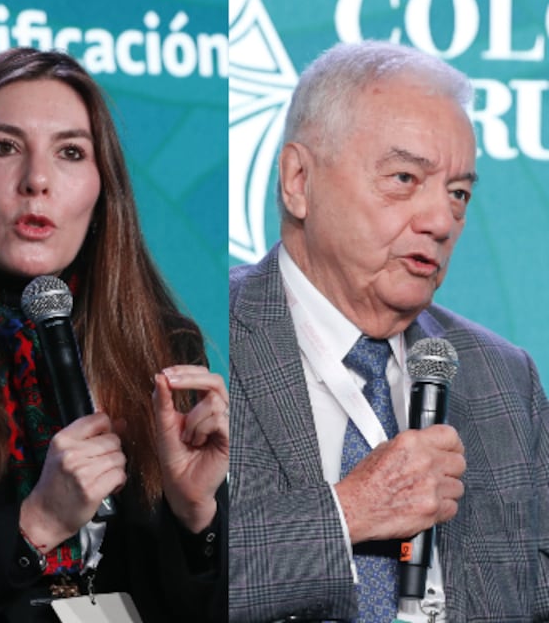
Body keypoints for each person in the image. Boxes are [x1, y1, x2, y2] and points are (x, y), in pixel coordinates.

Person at [228, 40, 549, 622]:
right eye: (404, 178)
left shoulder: (504, 378)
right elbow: (164, 576)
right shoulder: (204, 336)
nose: (440, 221)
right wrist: (348, 513)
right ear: (299, 180)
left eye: (458, 194)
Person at [0, 48, 228, 622]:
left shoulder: (166, 350)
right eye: (3, 148)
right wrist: (38, 522)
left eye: (71, 152)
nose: (37, 181)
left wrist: (196, 516)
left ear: (103, 190)